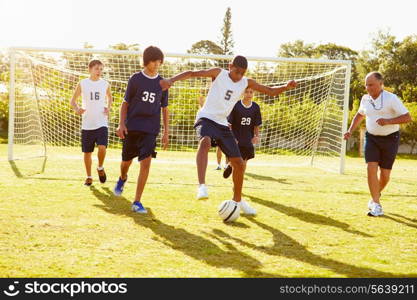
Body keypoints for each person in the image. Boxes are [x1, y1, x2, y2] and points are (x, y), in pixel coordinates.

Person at [161, 55, 296, 215]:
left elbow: (271, 91)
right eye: (236, 71)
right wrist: (171, 80)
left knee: (238, 164)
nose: (238, 76)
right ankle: (202, 186)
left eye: (242, 73)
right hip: (206, 118)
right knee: (205, 141)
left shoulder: (247, 82)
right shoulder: (218, 73)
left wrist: (286, 87)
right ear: (230, 65)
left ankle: (238, 201)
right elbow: (191, 72)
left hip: (222, 123)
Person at [344, 71, 411, 216]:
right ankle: (376, 204)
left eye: (371, 85)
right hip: (372, 138)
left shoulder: (391, 98)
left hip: (390, 139)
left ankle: (375, 195)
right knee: (371, 168)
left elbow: (407, 117)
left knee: (385, 175)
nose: (368, 88)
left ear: (381, 84)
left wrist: (388, 121)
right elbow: (360, 114)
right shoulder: (365, 99)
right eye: (366, 85)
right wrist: (350, 130)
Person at [113, 46, 169, 214]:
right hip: (133, 126)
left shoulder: (163, 83)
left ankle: (137, 201)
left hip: (151, 129)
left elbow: (164, 108)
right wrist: (121, 124)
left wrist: (166, 131)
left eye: (160, 61)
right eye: (154, 61)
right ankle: (122, 178)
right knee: (126, 162)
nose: (157, 64)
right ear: (146, 61)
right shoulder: (135, 79)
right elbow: (125, 103)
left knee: (146, 162)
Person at [70, 59, 113, 186]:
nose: (99, 71)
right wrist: (77, 109)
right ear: (90, 69)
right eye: (96, 69)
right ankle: (89, 177)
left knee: (102, 147)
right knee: (87, 152)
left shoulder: (105, 84)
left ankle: (100, 167)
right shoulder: (83, 83)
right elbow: (73, 101)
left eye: (101, 69)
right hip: (87, 124)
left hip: (101, 122)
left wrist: (108, 107)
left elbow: (110, 97)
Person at [223, 88, 262, 204]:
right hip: (236, 141)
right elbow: (229, 125)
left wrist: (256, 136)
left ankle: (231, 169)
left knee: (243, 166)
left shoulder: (255, 107)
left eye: (251, 92)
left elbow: (256, 125)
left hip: (247, 141)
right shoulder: (235, 106)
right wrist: (232, 138)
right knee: (238, 166)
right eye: (247, 92)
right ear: (242, 93)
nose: (249, 94)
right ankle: (235, 188)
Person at [197, 84, 225, 170]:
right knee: (203, 144)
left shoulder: (219, 100)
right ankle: (218, 165)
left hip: (218, 124)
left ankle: (226, 165)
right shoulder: (205, 103)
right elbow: (201, 103)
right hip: (206, 125)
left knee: (221, 145)